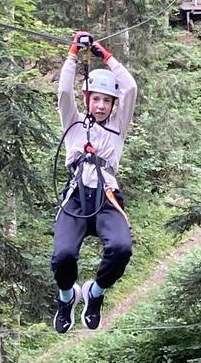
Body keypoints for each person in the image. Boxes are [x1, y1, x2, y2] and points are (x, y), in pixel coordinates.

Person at [51, 31, 138, 333]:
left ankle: (95, 293)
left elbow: (130, 87)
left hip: (106, 196)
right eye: (95, 99)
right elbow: (64, 91)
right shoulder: (73, 121)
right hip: (76, 196)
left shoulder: (118, 126)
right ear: (87, 99)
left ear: (114, 104)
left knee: (122, 248)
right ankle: (67, 297)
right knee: (63, 256)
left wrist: (106, 56)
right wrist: (73, 54)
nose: (100, 106)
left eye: (106, 101)